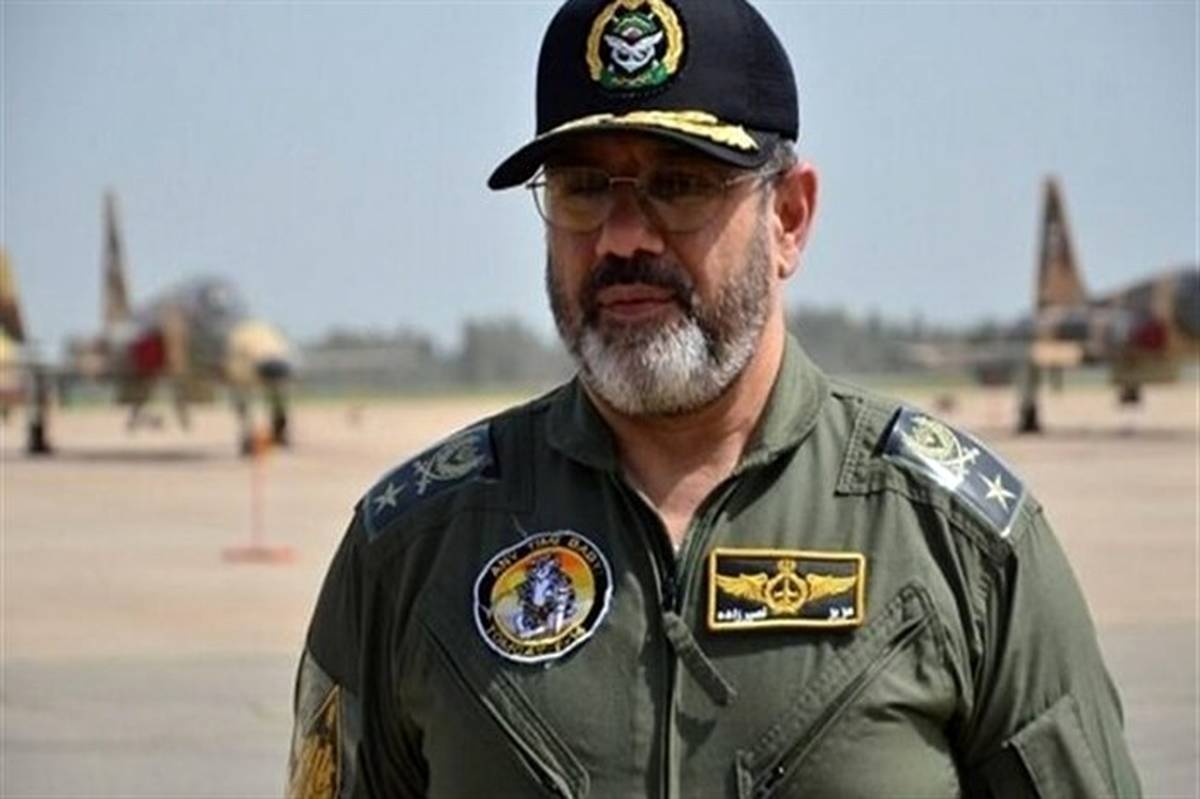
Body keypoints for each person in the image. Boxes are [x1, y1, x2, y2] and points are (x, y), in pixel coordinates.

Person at [287, 0, 1141, 796]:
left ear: (790, 217)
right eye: (583, 187)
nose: (623, 237)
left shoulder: (957, 543)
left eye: (682, 183)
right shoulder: (414, 547)